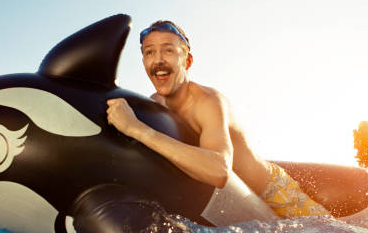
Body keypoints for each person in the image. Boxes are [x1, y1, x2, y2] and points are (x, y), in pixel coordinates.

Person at [106, 20, 329, 218]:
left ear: (188, 61)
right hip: (232, 204)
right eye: (149, 53)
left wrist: (138, 130)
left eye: (168, 51)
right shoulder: (154, 103)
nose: (158, 61)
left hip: (273, 194)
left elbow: (220, 172)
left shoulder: (208, 102)